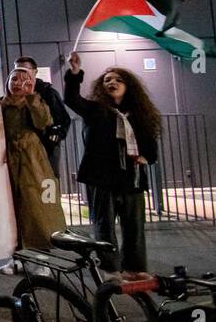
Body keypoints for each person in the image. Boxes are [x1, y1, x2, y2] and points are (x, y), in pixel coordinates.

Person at [63, 52, 161, 275]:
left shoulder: (139, 113)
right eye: (107, 80)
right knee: (104, 225)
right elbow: (71, 99)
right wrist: (75, 73)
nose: (112, 83)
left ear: (128, 86)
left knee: (134, 227)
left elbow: (149, 139)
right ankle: (110, 268)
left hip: (131, 176)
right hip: (101, 177)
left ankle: (135, 269)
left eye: (118, 79)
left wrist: (148, 157)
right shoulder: (95, 109)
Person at [0, 66, 67, 272]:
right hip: (7, 159)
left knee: (37, 210)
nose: (18, 83)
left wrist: (31, 98)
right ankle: (16, 257)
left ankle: (42, 259)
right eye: (14, 79)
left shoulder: (36, 102)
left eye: (24, 79)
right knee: (13, 211)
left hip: (33, 161)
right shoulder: (0, 105)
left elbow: (44, 122)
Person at [15, 55, 71, 172]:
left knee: (47, 183)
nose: (22, 74)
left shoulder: (48, 93)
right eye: (17, 70)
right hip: (22, 152)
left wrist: (53, 139)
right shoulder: (13, 95)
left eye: (25, 69)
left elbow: (62, 119)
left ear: (35, 71)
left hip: (46, 150)